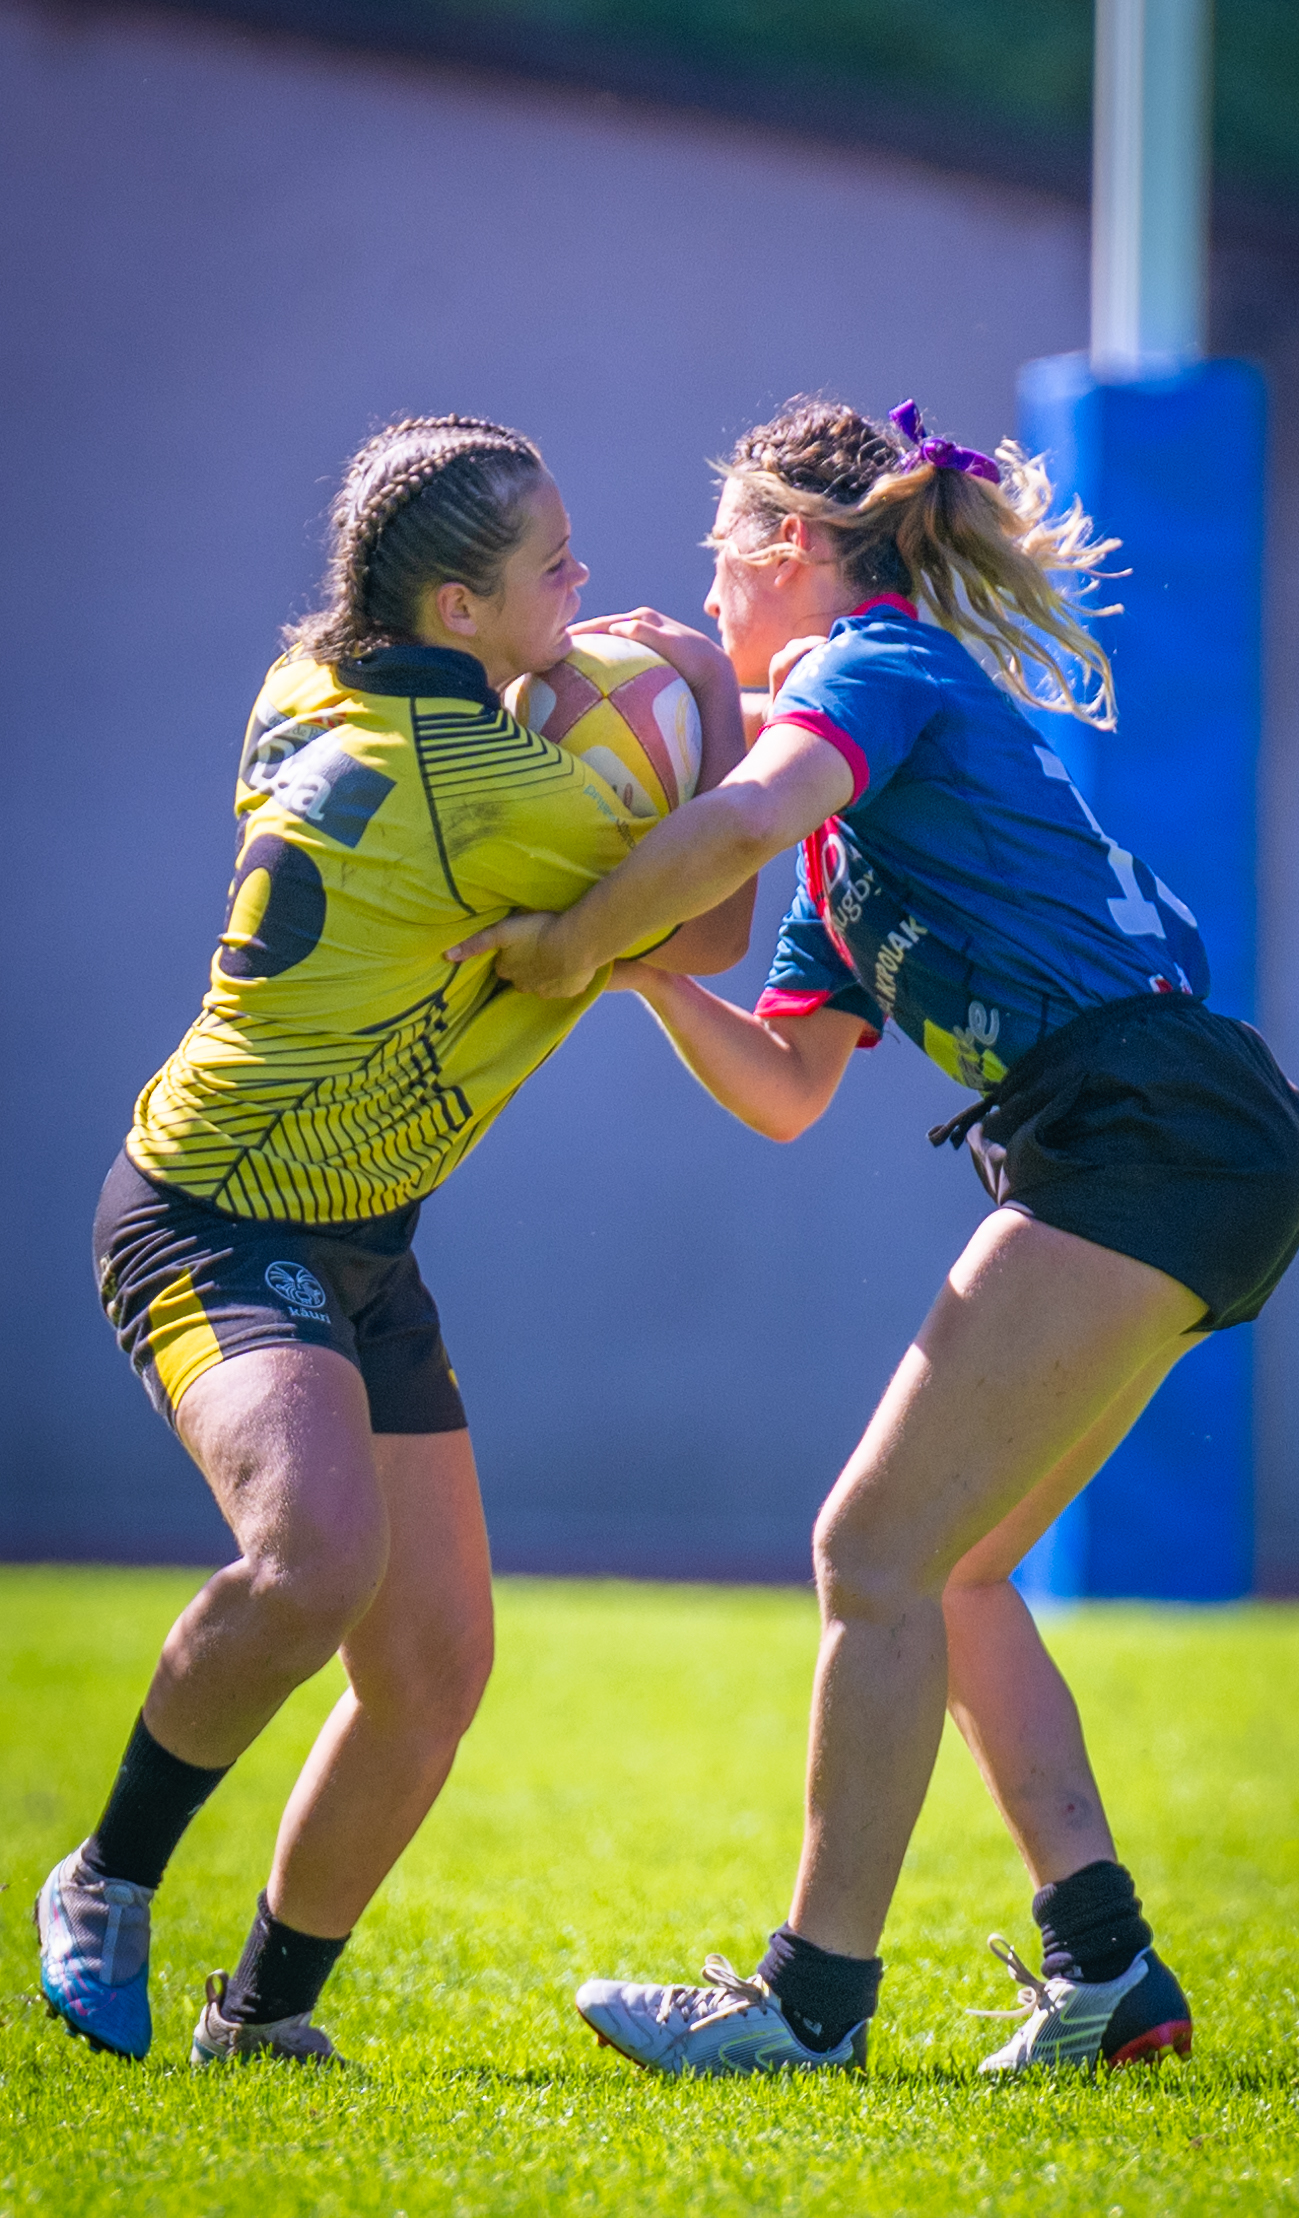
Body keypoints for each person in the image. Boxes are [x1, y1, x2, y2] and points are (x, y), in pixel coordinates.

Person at [448, 396, 1299, 2077]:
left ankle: (808, 2004)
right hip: (1173, 1138)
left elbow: (738, 819)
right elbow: (785, 1089)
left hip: (1152, 1126)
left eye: (718, 559)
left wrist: (563, 937)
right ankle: (1110, 1977)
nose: (701, 596)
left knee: (871, 1550)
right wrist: (638, 970)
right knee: (956, 1565)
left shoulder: (876, 664)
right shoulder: (856, 821)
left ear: (789, 546)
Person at [37, 414, 750, 2066]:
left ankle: (262, 2021)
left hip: (357, 1226)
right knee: (314, 1559)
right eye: (553, 567)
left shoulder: (315, 684)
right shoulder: (476, 789)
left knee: (431, 1664)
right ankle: (105, 1875)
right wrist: (702, 694)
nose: (589, 580)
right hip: (217, 1213)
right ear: (453, 611)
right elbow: (707, 919)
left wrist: (579, 684)